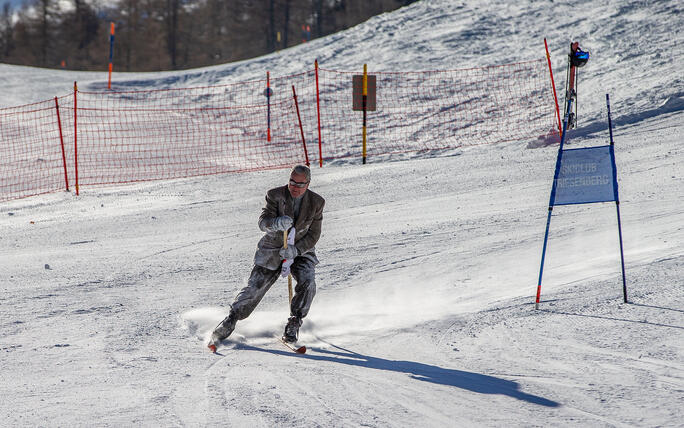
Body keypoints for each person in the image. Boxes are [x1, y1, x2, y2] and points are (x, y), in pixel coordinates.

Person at [210, 164, 325, 346]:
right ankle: (231, 319)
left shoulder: (317, 202)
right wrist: (276, 223)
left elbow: (314, 235)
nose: (294, 187)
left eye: (299, 184)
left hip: (301, 251)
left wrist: (296, 250)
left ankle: (294, 322)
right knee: (255, 286)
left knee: (308, 281)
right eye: (292, 182)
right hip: (273, 248)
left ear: (308, 184)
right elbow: (263, 222)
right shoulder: (275, 195)